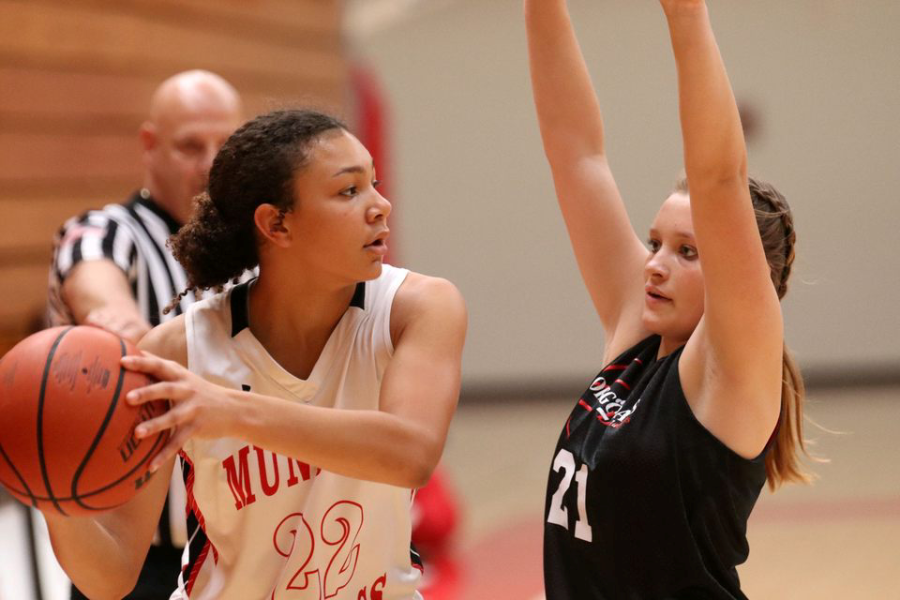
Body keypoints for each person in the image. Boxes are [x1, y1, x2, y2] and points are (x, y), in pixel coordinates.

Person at [41, 109, 467, 600]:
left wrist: (228, 410)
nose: (381, 206)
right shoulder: (179, 351)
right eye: (350, 191)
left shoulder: (416, 308)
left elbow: (410, 453)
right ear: (276, 224)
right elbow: (111, 577)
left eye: (374, 183)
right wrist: (53, 498)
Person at [525, 0, 810, 597]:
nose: (653, 264)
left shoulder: (728, 373)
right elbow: (575, 151)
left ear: (740, 275)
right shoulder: (639, 336)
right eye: (656, 242)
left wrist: (685, 15)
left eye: (688, 251)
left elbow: (717, 179)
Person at [46, 69, 244, 599]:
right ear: (149, 146)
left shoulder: (256, 247)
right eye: (189, 146)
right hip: (142, 561)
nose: (209, 165)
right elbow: (98, 291)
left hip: (246, 550)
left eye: (224, 145)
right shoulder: (109, 231)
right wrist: (125, 327)